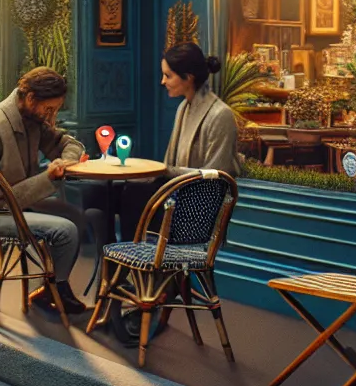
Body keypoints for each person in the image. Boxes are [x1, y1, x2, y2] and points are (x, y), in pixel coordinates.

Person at [83, 42, 240, 245]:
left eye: (168, 75)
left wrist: (166, 172)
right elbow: (168, 170)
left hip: (196, 209)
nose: (162, 81)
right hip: (174, 195)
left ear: (189, 77)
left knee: (134, 195)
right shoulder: (184, 107)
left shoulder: (220, 115)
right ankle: (112, 265)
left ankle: (129, 263)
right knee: (97, 193)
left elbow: (216, 177)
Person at [0, 67, 90, 313]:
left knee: (75, 216)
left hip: (18, 205)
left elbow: (68, 143)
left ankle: (51, 287)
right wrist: (48, 177)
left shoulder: (32, 118)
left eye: (56, 110)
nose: (52, 117)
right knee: (66, 229)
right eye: (50, 109)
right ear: (31, 98)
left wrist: (65, 160)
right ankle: (55, 288)